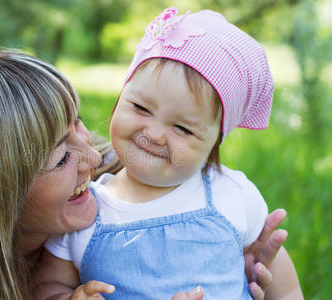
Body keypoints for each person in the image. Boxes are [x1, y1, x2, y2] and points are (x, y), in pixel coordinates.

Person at [0, 50, 286, 300]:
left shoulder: (135, 175)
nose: (93, 158)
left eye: (76, 122)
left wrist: (225, 262)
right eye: (61, 159)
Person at [33, 8, 303, 299]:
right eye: (141, 108)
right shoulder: (85, 213)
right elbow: (46, 288)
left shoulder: (233, 195)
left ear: (214, 144)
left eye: (182, 129)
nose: (154, 134)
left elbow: (285, 290)